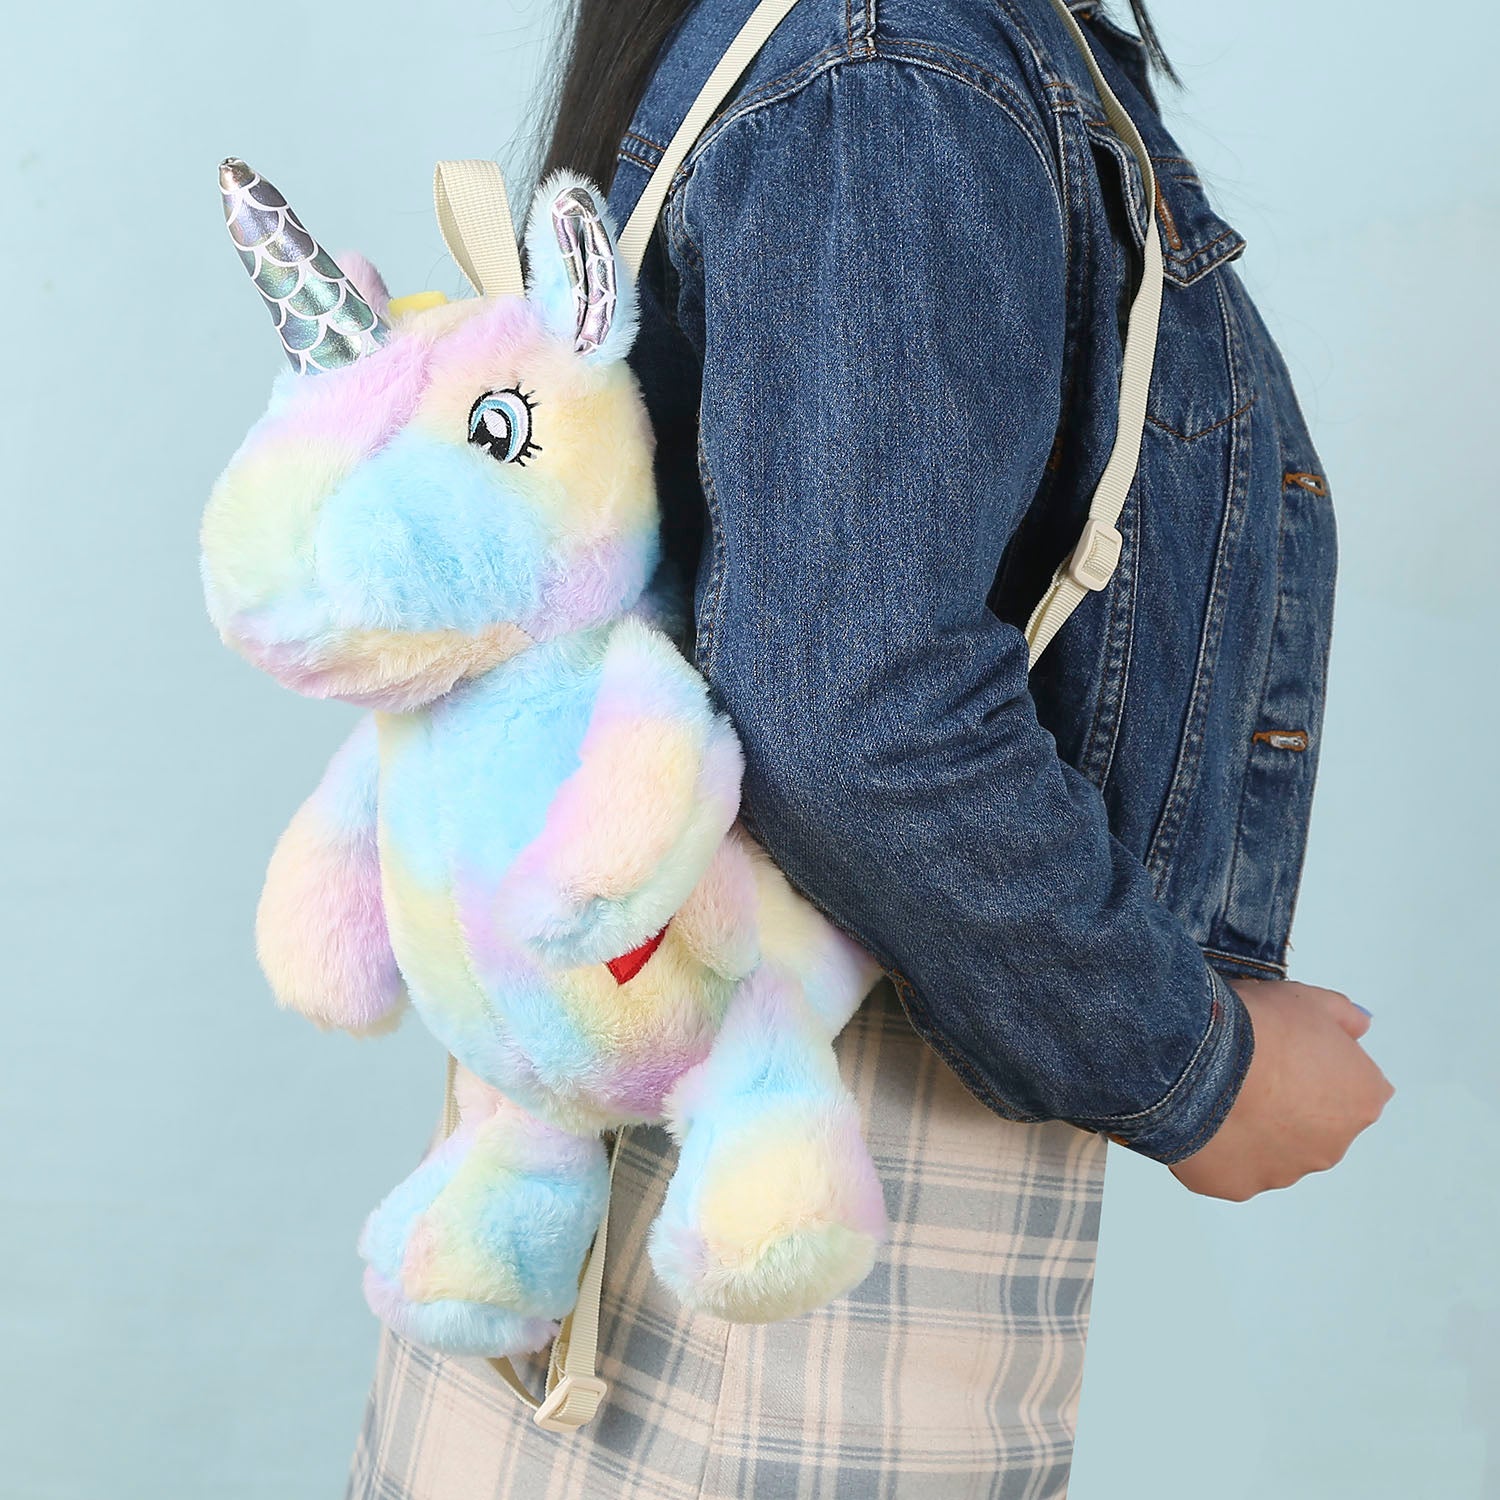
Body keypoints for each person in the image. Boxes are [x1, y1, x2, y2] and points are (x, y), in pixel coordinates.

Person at [346, 0, 1392, 1493]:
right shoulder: (895, 73)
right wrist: (1199, 1067)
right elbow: (856, 713)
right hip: (808, 1164)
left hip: (669, 1088)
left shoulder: (881, 60)